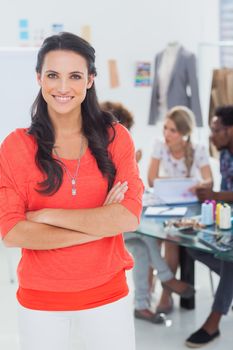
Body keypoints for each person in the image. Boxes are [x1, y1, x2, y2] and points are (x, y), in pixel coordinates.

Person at [0, 32, 144, 350]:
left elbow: (129, 216)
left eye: (75, 76)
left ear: (90, 80)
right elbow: (12, 233)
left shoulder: (116, 138)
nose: (63, 87)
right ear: (39, 77)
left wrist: (46, 216)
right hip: (40, 302)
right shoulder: (15, 146)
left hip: (108, 297)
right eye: (53, 75)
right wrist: (100, 225)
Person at [147, 105, 213, 316]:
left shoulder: (198, 149)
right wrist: (180, 183)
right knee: (150, 239)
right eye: (165, 128)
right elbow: (151, 179)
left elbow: (209, 179)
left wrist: (198, 184)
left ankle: (166, 296)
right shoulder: (159, 145)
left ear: (184, 133)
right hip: (164, 203)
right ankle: (147, 291)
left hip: (188, 207)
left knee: (171, 242)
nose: (166, 134)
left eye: (172, 130)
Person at [185, 106, 233, 348]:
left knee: (230, 258)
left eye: (216, 130)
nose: (212, 136)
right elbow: (225, 193)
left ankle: (212, 323)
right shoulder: (224, 154)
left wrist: (215, 194)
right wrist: (210, 198)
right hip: (227, 220)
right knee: (193, 245)